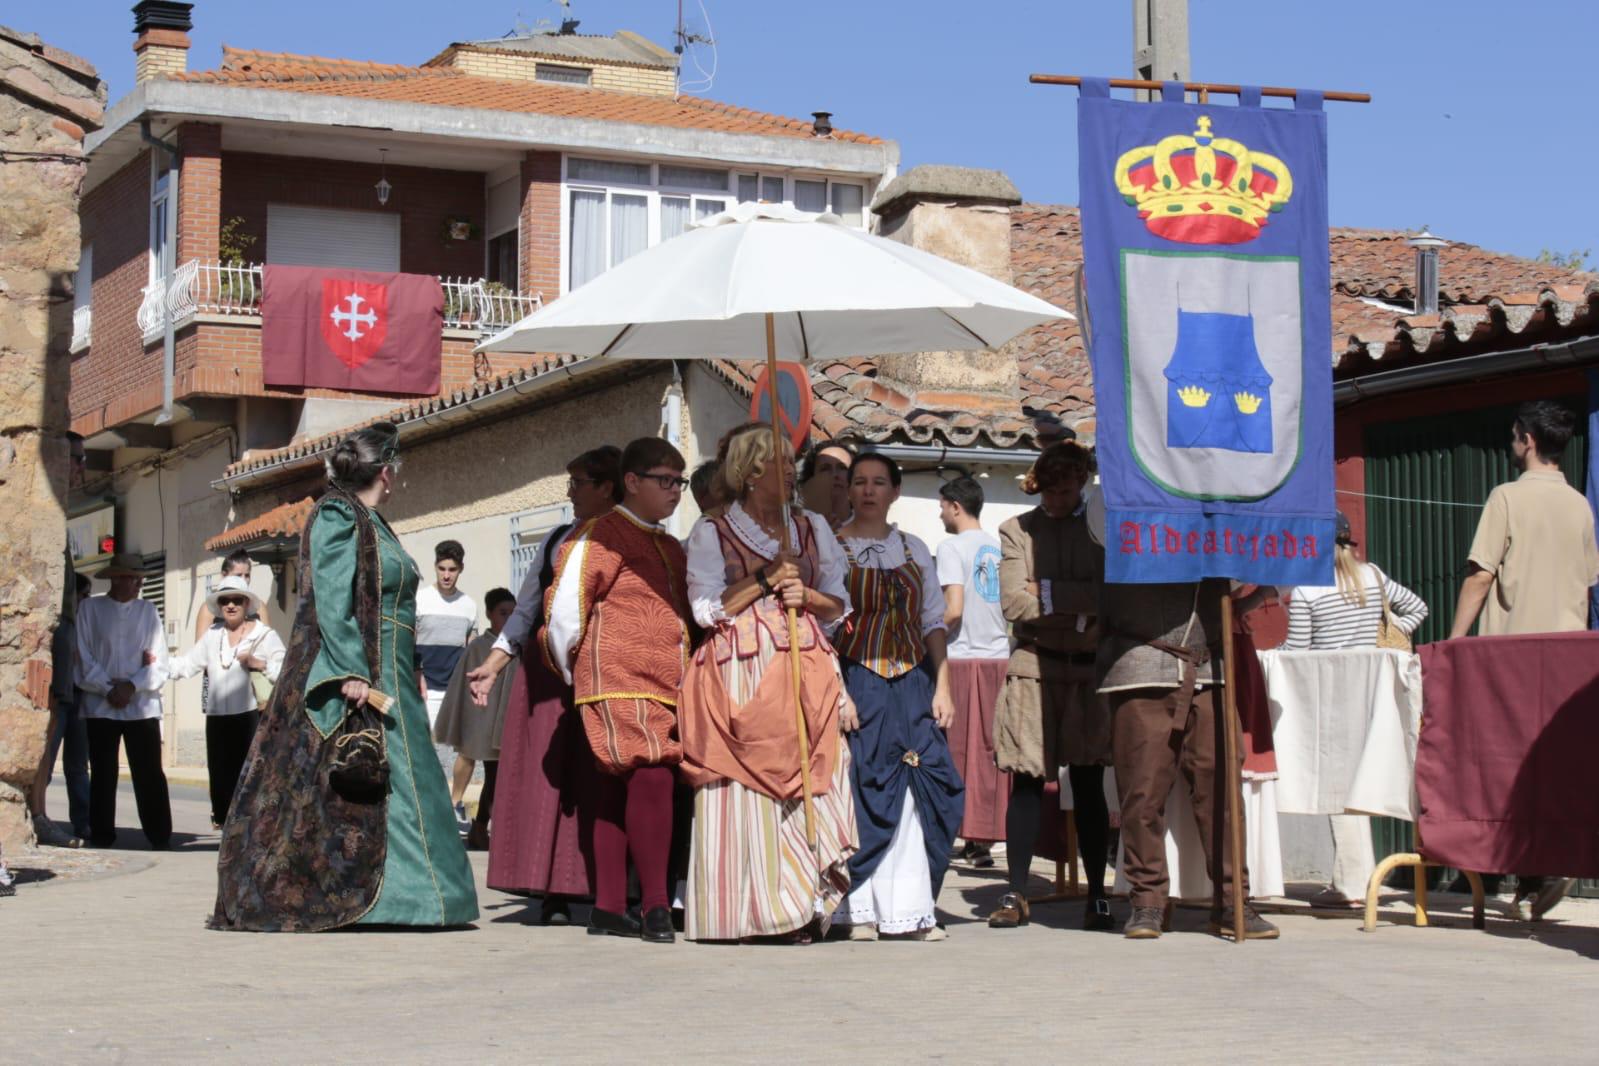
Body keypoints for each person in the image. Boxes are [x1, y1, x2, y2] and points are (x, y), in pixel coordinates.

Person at [212, 422, 478, 931]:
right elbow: (332, 602)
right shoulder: (337, 514)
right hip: (366, 670)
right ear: (386, 472)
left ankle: (426, 895)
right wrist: (351, 672)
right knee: (365, 777)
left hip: (396, 673)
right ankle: (395, 898)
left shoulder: (372, 520)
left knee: (408, 777)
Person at [678, 424, 858, 942]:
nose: (790, 471)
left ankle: (801, 907)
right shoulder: (712, 531)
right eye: (778, 462)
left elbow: (839, 605)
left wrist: (807, 596)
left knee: (813, 777)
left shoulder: (812, 527)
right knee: (745, 788)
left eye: (789, 461)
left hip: (806, 662)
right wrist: (764, 579)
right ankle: (747, 912)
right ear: (751, 472)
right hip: (743, 667)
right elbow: (705, 608)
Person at [1088, 483, 1278, 941]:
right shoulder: (1110, 498)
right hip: (1140, 664)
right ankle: (1147, 901)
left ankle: (1233, 901)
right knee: (1142, 791)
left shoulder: (1219, 501)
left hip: (1209, 667)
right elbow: (1118, 537)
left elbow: (1244, 576)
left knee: (1221, 790)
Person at [1448, 400, 1599, 920]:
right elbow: (1588, 582)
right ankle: (1538, 875)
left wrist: (1455, 641)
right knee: (1551, 764)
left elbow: (1481, 574)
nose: (1511, 443)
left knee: (1506, 765)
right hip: (1568, 657)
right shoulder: (1580, 505)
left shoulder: (1506, 496)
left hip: (1511, 653)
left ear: (1527, 440)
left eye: (1514, 435)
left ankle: (1522, 869)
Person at [544, 437, 694, 944]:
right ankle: (655, 906)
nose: (675, 490)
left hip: (666, 684)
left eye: (679, 481)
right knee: (653, 770)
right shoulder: (599, 535)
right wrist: (580, 672)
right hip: (617, 679)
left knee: (614, 789)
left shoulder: (671, 547)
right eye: (665, 480)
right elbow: (566, 609)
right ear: (632, 481)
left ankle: (609, 907)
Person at [471, 446, 621, 926]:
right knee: (552, 779)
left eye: (579, 483)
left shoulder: (633, 538)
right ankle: (552, 888)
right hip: (551, 674)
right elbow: (527, 607)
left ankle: (613, 888)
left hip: (611, 671)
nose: (570, 492)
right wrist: (494, 664)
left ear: (608, 487)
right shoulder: (558, 540)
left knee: (602, 777)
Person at [832, 452, 964, 941]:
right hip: (858, 679)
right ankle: (859, 910)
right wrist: (838, 692)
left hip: (913, 681)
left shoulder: (914, 547)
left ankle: (912, 908)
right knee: (865, 783)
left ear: (895, 491)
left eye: (878, 482)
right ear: (849, 490)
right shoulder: (832, 547)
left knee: (927, 782)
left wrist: (942, 686)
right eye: (860, 481)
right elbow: (824, 629)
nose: (868, 490)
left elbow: (932, 621)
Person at [986, 443, 1114, 931]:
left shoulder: (1099, 529)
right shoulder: (1016, 530)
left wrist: (1046, 591)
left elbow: (1109, 595)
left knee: (1088, 782)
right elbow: (1013, 605)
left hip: (1087, 668)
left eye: (1068, 490)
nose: (1059, 499)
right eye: (1051, 490)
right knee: (1026, 780)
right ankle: (1016, 890)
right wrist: (1078, 608)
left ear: (1082, 483)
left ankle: (1097, 894)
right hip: (1034, 666)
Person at [1280, 511, 1427, 908]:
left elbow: (1298, 651)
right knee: (1358, 782)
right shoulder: (1373, 576)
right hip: (1371, 693)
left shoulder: (1308, 591)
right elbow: (1418, 607)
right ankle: (1353, 878)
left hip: (1330, 697)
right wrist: (1389, 633)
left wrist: (1269, 655)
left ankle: (1351, 885)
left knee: (1339, 787)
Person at [167, 575, 287, 828]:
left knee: (250, 778)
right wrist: (154, 663)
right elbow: (186, 665)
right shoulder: (213, 636)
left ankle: (250, 833)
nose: (231, 605)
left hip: (250, 717)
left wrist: (259, 663)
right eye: (225, 601)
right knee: (220, 782)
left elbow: (287, 671)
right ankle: (227, 832)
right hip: (217, 719)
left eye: (236, 600)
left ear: (246, 604)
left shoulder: (264, 635)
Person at [934, 475, 1010, 870]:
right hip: (1000, 656)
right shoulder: (999, 548)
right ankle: (985, 836)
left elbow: (954, 608)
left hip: (963, 656)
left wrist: (926, 636)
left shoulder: (950, 547)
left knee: (959, 750)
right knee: (991, 750)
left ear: (955, 506)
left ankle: (962, 832)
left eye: (942, 507)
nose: (940, 514)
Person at [76, 552, 172, 850]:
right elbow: (82, 655)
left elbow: (159, 660)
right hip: (100, 704)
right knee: (103, 772)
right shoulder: (90, 609)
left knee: (149, 771)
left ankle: (159, 834)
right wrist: (107, 688)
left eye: (139, 578)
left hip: (140, 704)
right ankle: (102, 833)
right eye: (132, 577)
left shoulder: (148, 611)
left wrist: (132, 685)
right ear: (116, 578)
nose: (138, 583)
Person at [433, 587, 517, 850]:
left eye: (513, 614)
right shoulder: (479, 647)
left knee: (498, 777)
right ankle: (480, 827)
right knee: (493, 775)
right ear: (490, 614)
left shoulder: (517, 645)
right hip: (483, 720)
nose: (508, 618)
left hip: (506, 721)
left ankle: (482, 827)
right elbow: (462, 687)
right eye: (503, 613)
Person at [415, 539, 479, 822]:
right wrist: (416, 675)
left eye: (452, 569)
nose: (446, 575)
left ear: (460, 569)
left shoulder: (469, 606)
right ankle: (427, 807)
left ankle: (455, 804)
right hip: (424, 687)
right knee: (424, 752)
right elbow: (408, 641)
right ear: (435, 567)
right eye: (441, 568)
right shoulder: (420, 600)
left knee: (467, 749)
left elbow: (471, 647)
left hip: (455, 688)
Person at [32, 573, 92, 847]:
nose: (85, 600)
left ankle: (83, 822)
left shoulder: (86, 623)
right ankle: (37, 812)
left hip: (80, 694)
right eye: (83, 594)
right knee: (46, 759)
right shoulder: (60, 624)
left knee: (78, 766)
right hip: (61, 696)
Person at [194, 549, 270, 641]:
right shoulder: (208, 609)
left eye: (247, 575)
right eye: (238, 575)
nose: (243, 580)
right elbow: (200, 645)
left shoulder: (259, 606)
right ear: (224, 575)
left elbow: (267, 641)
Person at [800, 438, 856, 532]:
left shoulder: (873, 528)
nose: (834, 474)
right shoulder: (796, 528)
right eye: (825, 469)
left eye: (842, 468)